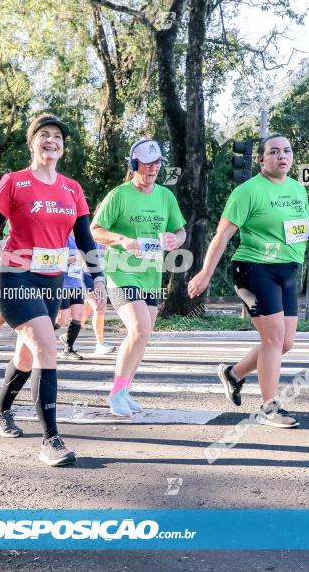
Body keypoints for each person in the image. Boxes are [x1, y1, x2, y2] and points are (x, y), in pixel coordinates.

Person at [0, 113, 106, 466]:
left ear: (63, 146)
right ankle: (51, 440)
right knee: (47, 346)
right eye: (44, 135)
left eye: (57, 136)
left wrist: (97, 276)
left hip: (51, 280)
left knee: (28, 354)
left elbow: (84, 238)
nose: (51, 140)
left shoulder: (72, 188)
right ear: (32, 142)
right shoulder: (14, 182)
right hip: (16, 276)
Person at [188, 134, 309, 428]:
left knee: (284, 342)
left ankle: (234, 373)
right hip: (254, 269)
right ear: (261, 159)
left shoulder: (298, 189)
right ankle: (269, 407)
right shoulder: (247, 192)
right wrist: (205, 273)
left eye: (286, 151)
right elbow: (222, 234)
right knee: (274, 338)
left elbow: (296, 229)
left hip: (287, 270)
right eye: (273, 152)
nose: (281, 156)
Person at [91, 138, 186, 417]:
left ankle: (124, 389)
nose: (154, 168)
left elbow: (181, 232)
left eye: (157, 163)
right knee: (140, 330)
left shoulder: (165, 197)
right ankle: (115, 394)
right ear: (134, 165)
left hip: (151, 276)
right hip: (122, 272)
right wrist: (121, 239)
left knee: (143, 336)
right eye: (147, 163)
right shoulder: (119, 195)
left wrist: (175, 239)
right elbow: (95, 230)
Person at [80, 243, 116, 355]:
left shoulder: (110, 237)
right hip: (85, 276)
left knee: (88, 308)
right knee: (99, 307)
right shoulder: (87, 235)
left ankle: (70, 334)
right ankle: (100, 344)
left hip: (100, 277)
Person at [57, 234, 87, 360]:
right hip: (62, 283)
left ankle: (68, 348)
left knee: (78, 316)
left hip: (76, 283)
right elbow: (53, 260)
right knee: (62, 320)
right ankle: (34, 335)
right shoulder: (61, 236)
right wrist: (74, 259)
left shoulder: (81, 238)